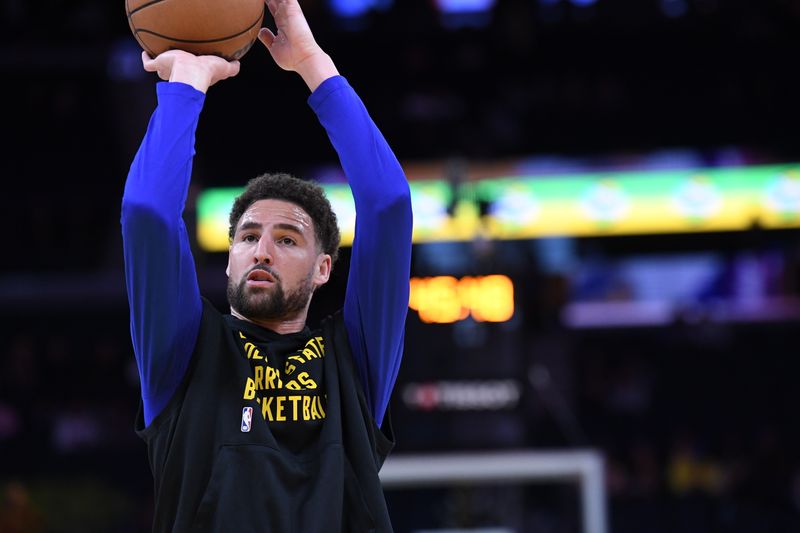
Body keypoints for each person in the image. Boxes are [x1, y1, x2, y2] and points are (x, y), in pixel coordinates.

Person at [120, 0, 413, 531]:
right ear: (230, 258)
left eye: (288, 239)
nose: (261, 250)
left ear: (324, 268)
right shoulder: (184, 355)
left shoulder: (355, 364)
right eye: (248, 236)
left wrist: (311, 62)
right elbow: (146, 212)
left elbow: (389, 203)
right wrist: (186, 84)